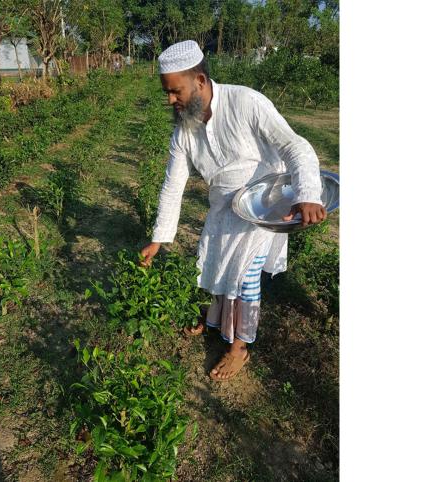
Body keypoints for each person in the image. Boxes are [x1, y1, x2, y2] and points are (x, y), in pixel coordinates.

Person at [138, 40, 327, 381]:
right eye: (166, 93)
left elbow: (294, 145)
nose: (170, 100)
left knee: (246, 278)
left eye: (175, 91)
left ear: (199, 81)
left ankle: (240, 347)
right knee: (215, 264)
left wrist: (308, 193)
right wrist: (159, 239)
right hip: (223, 208)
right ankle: (214, 320)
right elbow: (173, 185)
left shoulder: (246, 101)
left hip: (262, 206)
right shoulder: (185, 129)